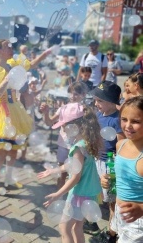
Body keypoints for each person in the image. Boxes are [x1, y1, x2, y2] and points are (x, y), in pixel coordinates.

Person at [0, 39, 52, 194]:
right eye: (7, 47)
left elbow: (31, 64)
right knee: (2, 152)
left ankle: (8, 179)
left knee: (14, 149)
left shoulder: (13, 64)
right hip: (2, 111)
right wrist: (6, 80)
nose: (11, 48)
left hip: (15, 109)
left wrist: (45, 54)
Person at [37, 103, 103, 243]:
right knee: (77, 228)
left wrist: (58, 193)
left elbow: (75, 177)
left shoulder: (77, 148)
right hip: (90, 194)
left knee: (64, 228)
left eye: (64, 125)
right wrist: (54, 170)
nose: (62, 129)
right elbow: (72, 166)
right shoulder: (87, 143)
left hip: (78, 195)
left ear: (75, 126)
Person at [100, 96, 143, 242]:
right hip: (119, 211)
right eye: (124, 119)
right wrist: (108, 178)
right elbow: (121, 173)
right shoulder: (121, 144)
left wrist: (141, 209)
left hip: (137, 220)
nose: (128, 126)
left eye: (136, 121)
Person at [88, 80, 125, 240]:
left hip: (109, 164)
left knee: (112, 202)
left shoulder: (117, 120)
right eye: (96, 100)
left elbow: (122, 147)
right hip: (96, 160)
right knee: (94, 194)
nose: (96, 104)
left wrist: (114, 169)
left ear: (112, 102)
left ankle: (112, 233)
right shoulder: (98, 115)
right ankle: (91, 222)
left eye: (100, 101)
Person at [40, 81, 89, 189]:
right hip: (63, 144)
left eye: (76, 94)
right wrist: (46, 113)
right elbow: (49, 122)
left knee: (77, 171)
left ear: (83, 95)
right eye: (71, 93)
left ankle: (74, 194)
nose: (72, 96)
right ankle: (60, 192)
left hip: (77, 145)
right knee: (62, 172)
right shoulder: (63, 108)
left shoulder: (84, 109)